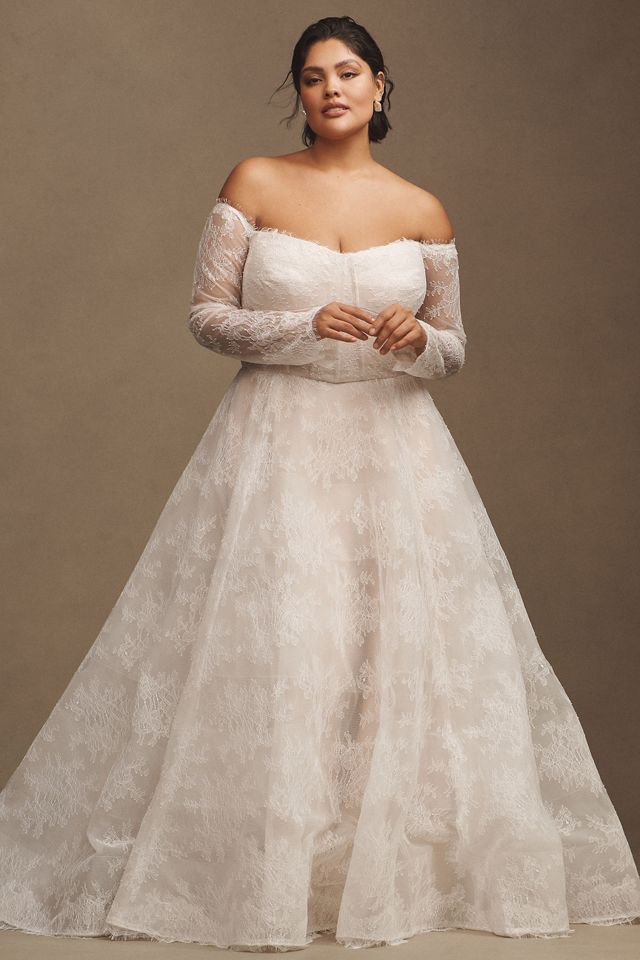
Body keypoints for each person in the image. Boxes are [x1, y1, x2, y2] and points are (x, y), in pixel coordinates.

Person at [1, 13, 639, 953]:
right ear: (298, 94)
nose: (331, 88)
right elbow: (205, 315)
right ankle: (265, 873)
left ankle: (373, 871)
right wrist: (300, 328)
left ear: (381, 87)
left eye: (347, 72)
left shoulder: (424, 210)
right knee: (284, 645)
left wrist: (418, 339)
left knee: (393, 650)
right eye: (312, 76)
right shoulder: (255, 182)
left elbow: (453, 348)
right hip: (276, 439)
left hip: (398, 449)